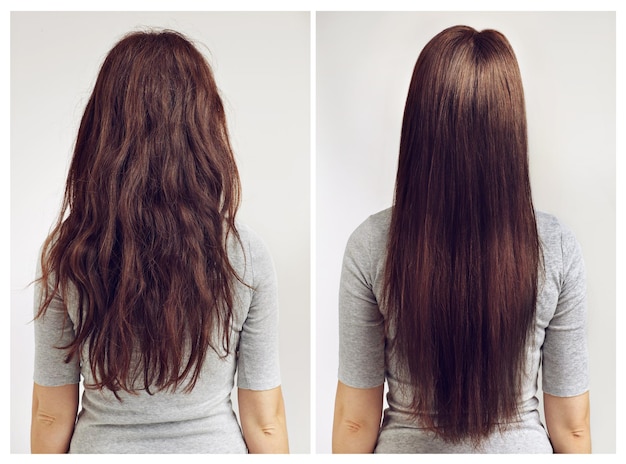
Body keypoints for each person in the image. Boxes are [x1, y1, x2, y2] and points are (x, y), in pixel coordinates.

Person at [332, 25, 590, 453]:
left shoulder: (371, 245)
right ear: (511, 131)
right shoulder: (557, 248)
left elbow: (355, 423)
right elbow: (573, 429)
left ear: (418, 127)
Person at [31, 30, 288, 454]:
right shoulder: (245, 255)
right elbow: (267, 422)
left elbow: (50, 415)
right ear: (204, 128)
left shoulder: (69, 253)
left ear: (102, 129)